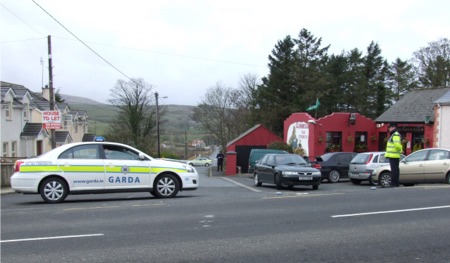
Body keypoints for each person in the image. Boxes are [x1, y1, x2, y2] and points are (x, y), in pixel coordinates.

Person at [385, 123, 403, 187]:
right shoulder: (394, 135)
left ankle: (393, 182)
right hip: (394, 155)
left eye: (389, 127)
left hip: (393, 155)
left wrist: (400, 150)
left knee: (394, 170)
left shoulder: (395, 135)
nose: (389, 129)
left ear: (393, 127)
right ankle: (396, 182)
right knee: (396, 169)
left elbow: (397, 145)